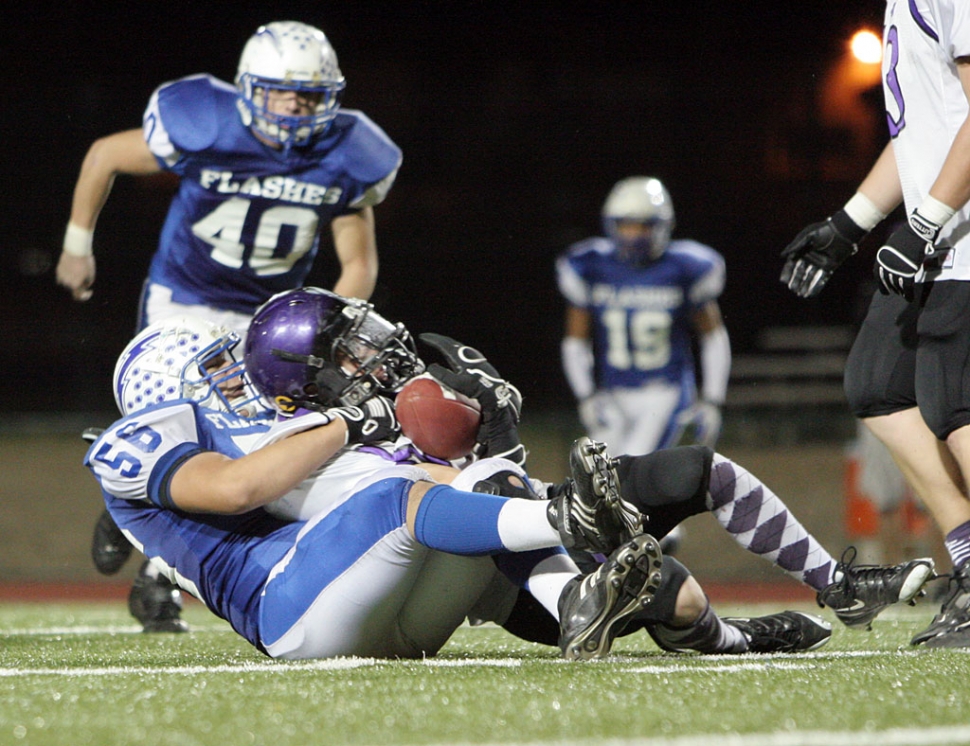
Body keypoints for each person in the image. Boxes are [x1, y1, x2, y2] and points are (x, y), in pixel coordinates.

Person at [86, 311, 831, 660]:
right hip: (291, 616)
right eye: (210, 369)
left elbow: (433, 482)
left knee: (473, 485)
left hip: (381, 608)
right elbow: (237, 490)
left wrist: (487, 440)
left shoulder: (280, 432)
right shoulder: (141, 443)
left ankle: (620, 607)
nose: (231, 376)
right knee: (398, 501)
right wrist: (355, 422)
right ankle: (570, 520)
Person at [240, 287, 934, 647]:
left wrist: (482, 422)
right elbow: (447, 500)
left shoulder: (413, 381)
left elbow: (498, 473)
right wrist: (483, 442)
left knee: (698, 470)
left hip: (528, 519)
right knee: (681, 598)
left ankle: (838, 584)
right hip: (484, 576)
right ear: (308, 384)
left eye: (360, 334)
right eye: (349, 351)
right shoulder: (308, 446)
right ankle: (710, 635)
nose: (372, 347)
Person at [57, 20, 402, 631]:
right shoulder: (207, 124)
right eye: (281, 92)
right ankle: (146, 536)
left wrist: (326, 331)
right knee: (187, 424)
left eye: (310, 95)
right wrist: (78, 244)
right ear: (247, 89)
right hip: (183, 303)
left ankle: (155, 572)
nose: (296, 107)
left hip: (270, 322)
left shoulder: (347, 155)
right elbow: (106, 154)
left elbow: (358, 264)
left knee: (249, 445)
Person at [778, 0, 970, 648]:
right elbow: (922, 132)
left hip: (961, 237)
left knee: (956, 398)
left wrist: (923, 225)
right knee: (877, 382)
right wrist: (848, 224)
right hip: (945, 232)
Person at [555, 177, 731, 554]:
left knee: (626, 485)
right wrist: (586, 395)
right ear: (610, 225)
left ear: (663, 226)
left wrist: (713, 398)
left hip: (665, 393)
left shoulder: (685, 267)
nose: (634, 234)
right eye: (626, 224)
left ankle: (651, 564)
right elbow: (575, 340)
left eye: (643, 224)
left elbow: (713, 336)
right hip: (613, 395)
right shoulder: (591, 265)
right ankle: (656, 550)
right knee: (602, 489)